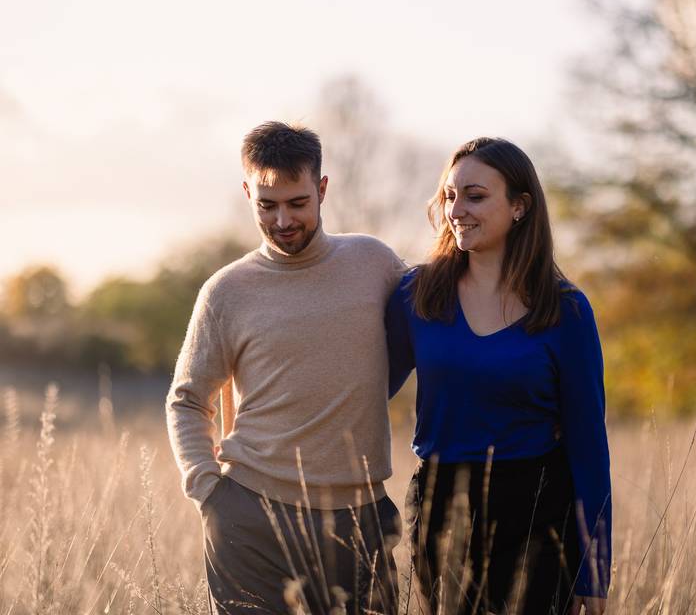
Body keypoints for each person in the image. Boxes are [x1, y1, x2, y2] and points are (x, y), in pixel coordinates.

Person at [166, 121, 405, 615]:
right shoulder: (225, 291)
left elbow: (433, 330)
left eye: (297, 203)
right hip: (251, 518)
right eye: (266, 205)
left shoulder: (375, 264)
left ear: (321, 189)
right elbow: (187, 399)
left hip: (359, 518)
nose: (282, 221)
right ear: (247, 192)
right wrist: (209, 492)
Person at [385, 137, 612, 615]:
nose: (457, 209)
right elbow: (367, 390)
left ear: (519, 206)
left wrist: (595, 569)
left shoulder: (564, 310)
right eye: (449, 195)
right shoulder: (417, 296)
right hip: (441, 506)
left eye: (475, 195)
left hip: (538, 509)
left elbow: (589, 444)